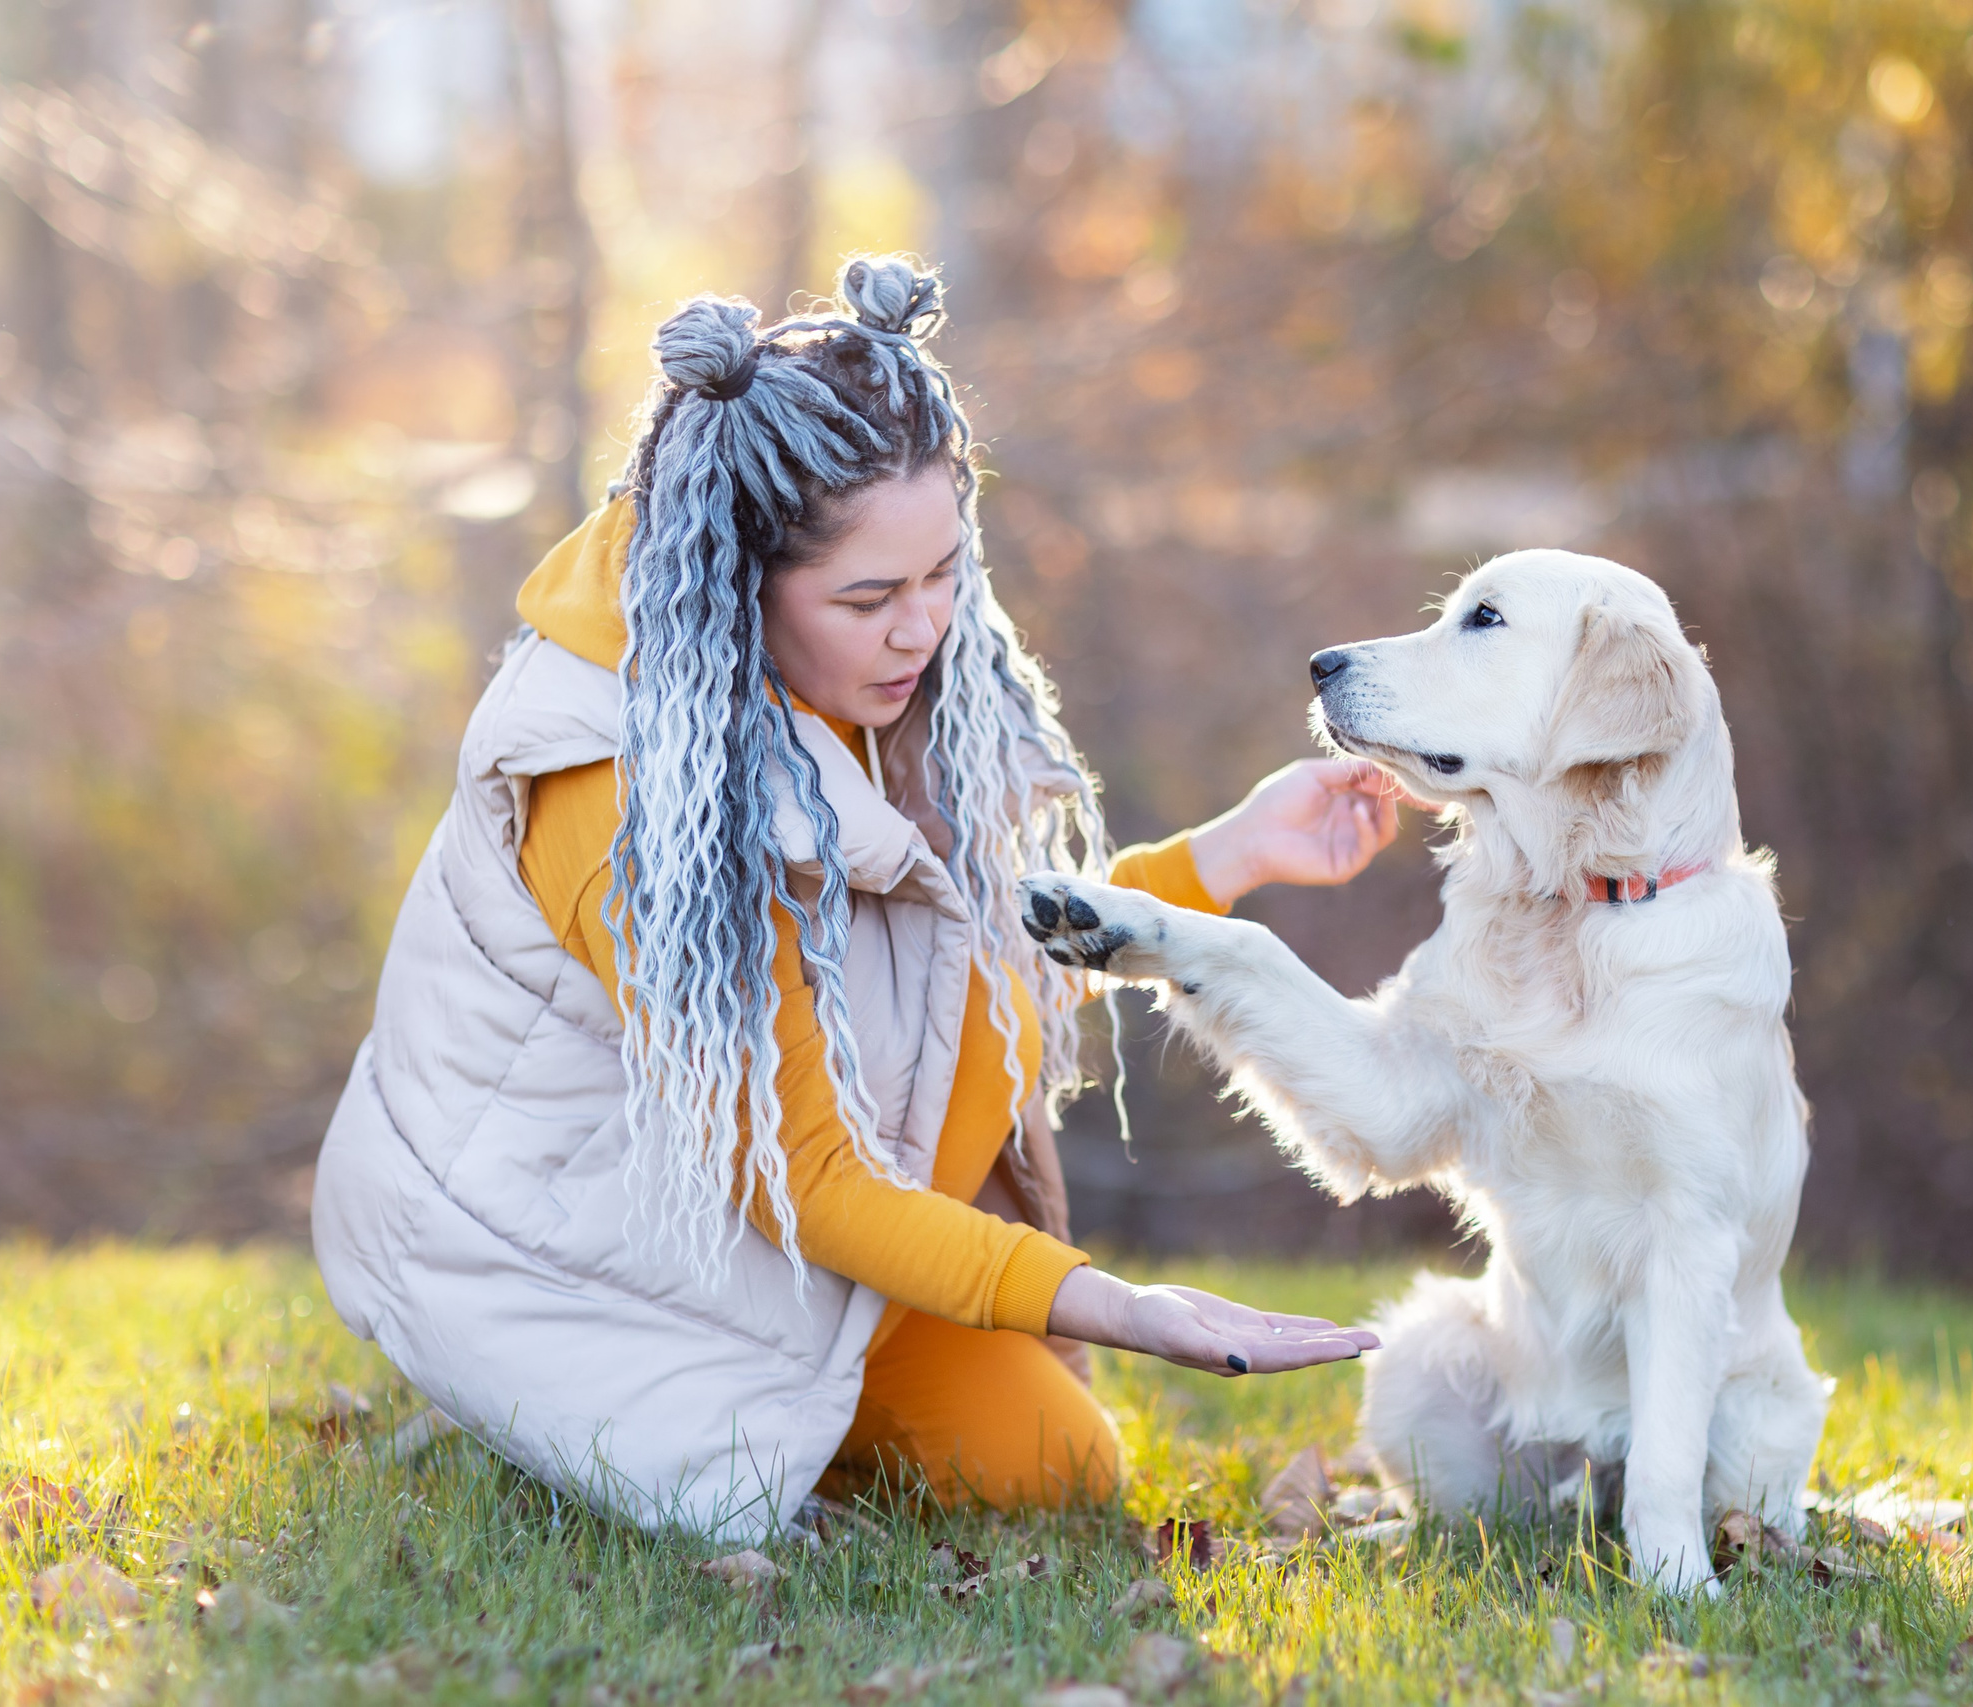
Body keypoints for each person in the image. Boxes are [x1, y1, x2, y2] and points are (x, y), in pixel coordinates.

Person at [311, 256, 1392, 1542]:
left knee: (1060, 1466)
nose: (921, 627)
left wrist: (1232, 851)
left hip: (766, 1204)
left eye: (943, 572)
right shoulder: (620, 787)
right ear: (732, 581)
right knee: (1021, 1458)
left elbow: (971, 948)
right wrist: (1114, 1303)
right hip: (556, 1254)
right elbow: (807, 1176)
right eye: (870, 598)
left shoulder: (860, 686)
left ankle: (803, 1376)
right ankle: (555, 1413)